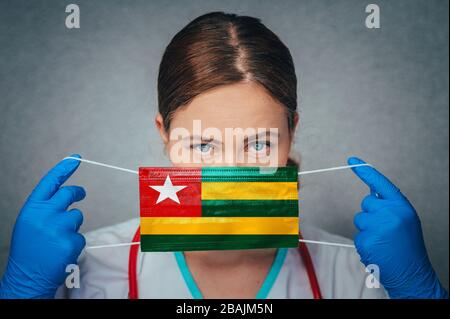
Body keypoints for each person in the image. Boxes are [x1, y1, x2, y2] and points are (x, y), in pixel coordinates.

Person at [0, 12, 447, 299]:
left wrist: (418, 292)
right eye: (202, 144)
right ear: (165, 135)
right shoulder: (85, 269)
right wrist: (22, 293)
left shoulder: (357, 274)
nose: (230, 170)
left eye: (258, 143)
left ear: (292, 131)